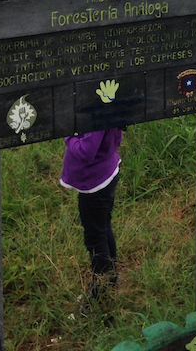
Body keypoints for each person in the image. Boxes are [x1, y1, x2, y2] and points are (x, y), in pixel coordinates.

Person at [61, 127, 123, 308]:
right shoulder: (107, 103)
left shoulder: (96, 113)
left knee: (95, 238)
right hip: (107, 170)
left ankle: (100, 293)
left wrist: (67, 135)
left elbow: (85, 151)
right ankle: (111, 280)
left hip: (95, 182)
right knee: (103, 228)